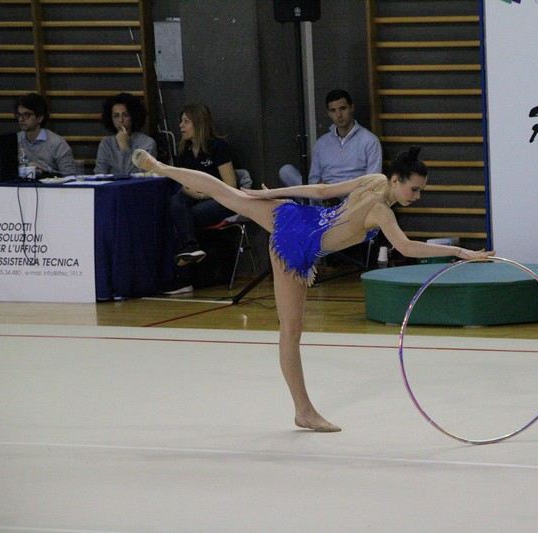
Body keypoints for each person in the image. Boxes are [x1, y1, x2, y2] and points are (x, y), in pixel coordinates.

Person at [132, 146, 493, 432]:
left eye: (420, 190)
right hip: (297, 246)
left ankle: (160, 167)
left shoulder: (373, 178)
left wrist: (275, 192)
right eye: (414, 189)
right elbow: (407, 248)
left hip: (293, 215)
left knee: (224, 193)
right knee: (290, 332)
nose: (417, 195)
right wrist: (460, 252)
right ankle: (303, 411)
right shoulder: (383, 210)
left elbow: (320, 191)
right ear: (397, 180)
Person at [165, 104, 241, 294]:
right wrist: (195, 194)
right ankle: (191, 247)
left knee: (187, 217)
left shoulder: (218, 147)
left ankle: (184, 277)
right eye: (180, 121)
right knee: (175, 202)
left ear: (198, 123)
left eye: (186, 121)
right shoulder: (185, 151)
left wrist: (206, 194)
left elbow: (230, 185)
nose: (181, 126)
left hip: (222, 200)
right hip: (196, 197)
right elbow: (184, 184)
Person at [279, 89, 382, 196]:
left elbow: (373, 182)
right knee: (286, 171)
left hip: (353, 198)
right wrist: (321, 188)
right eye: (333, 110)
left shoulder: (370, 141)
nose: (339, 115)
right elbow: (313, 179)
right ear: (328, 113)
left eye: (342, 109)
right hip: (324, 196)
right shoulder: (321, 143)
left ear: (352, 108)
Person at [94, 93, 157, 175]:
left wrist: (124, 148)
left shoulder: (147, 143)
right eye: (116, 116)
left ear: (133, 116)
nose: (121, 120)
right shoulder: (106, 144)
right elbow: (100, 174)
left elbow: (136, 175)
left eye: (125, 115)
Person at [14, 93, 75, 176]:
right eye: (19, 115)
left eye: (26, 115)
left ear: (40, 118)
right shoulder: (15, 140)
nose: (21, 119)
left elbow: (70, 177)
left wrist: (45, 172)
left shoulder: (58, 143)